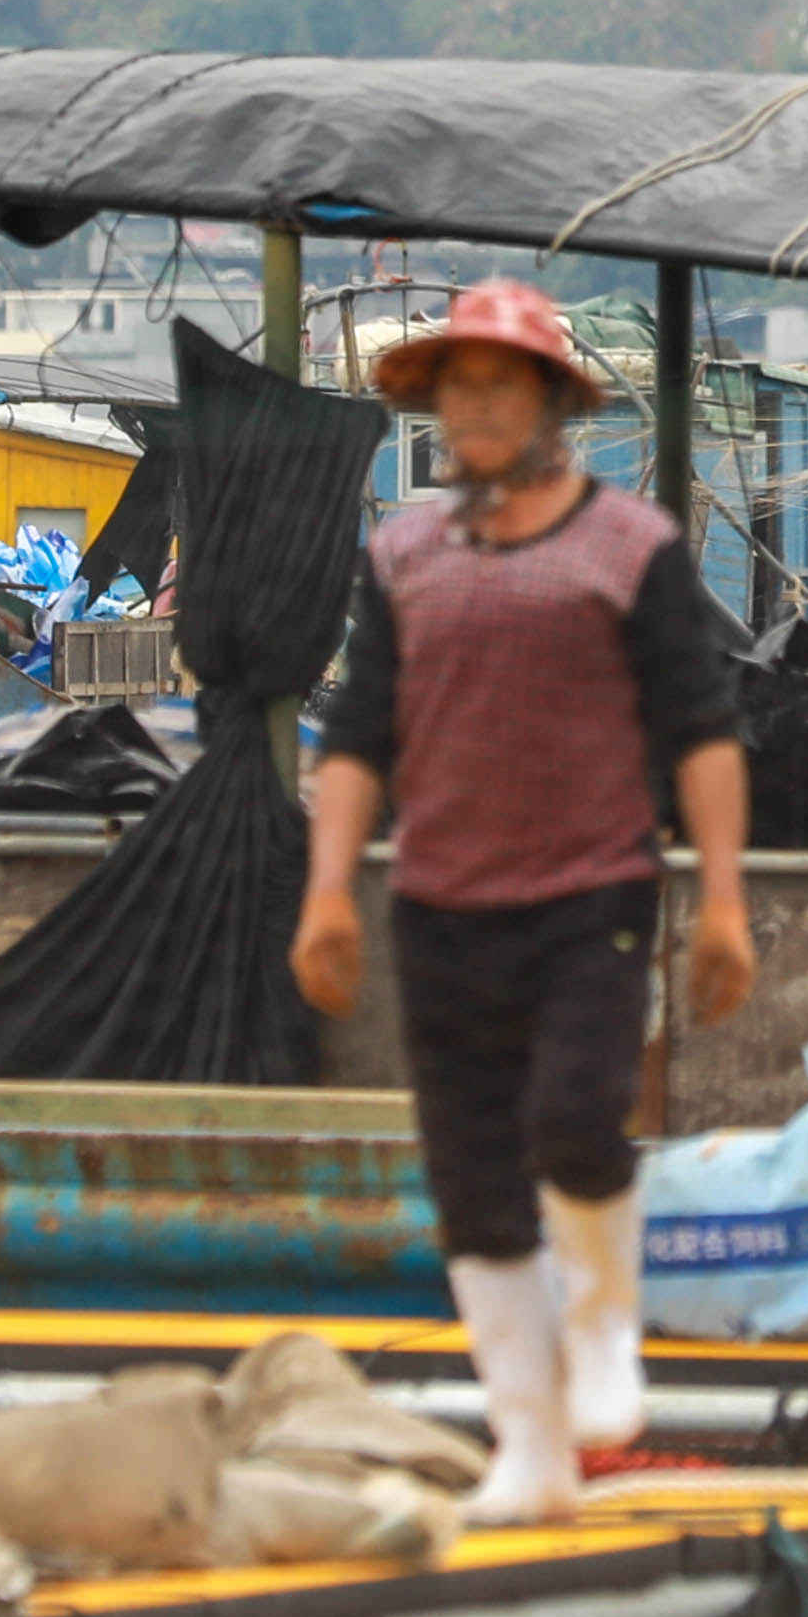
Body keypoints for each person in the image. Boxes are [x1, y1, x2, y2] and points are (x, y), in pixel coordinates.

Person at [289, 278, 753, 1523]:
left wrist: (721, 898)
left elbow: (700, 730)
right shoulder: (404, 554)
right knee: (474, 1181)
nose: (477, 408)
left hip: (588, 889)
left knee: (575, 1118)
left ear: (549, 403)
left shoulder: (630, 549)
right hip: (442, 903)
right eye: (459, 388)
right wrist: (329, 890)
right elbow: (357, 737)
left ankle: (605, 1334)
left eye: (501, 384)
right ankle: (531, 1448)